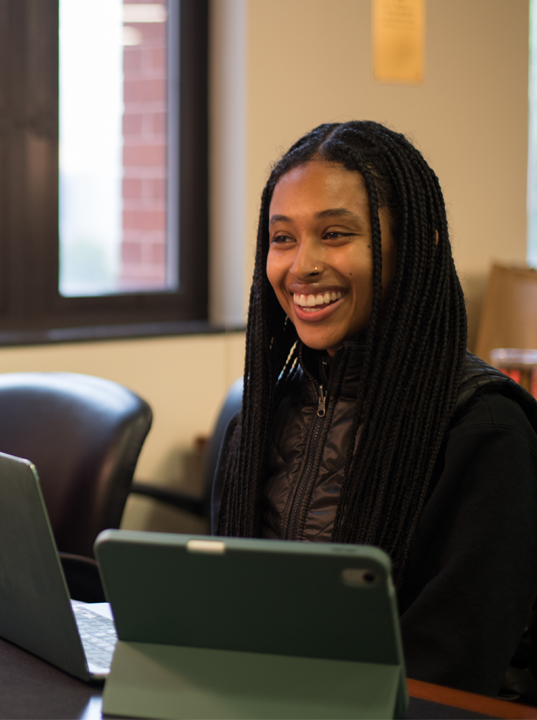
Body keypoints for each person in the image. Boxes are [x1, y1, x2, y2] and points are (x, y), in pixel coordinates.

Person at [211, 121, 537, 698]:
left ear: (417, 246)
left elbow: (449, 672)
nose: (301, 265)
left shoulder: (485, 430)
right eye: (282, 238)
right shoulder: (260, 419)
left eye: (334, 234)